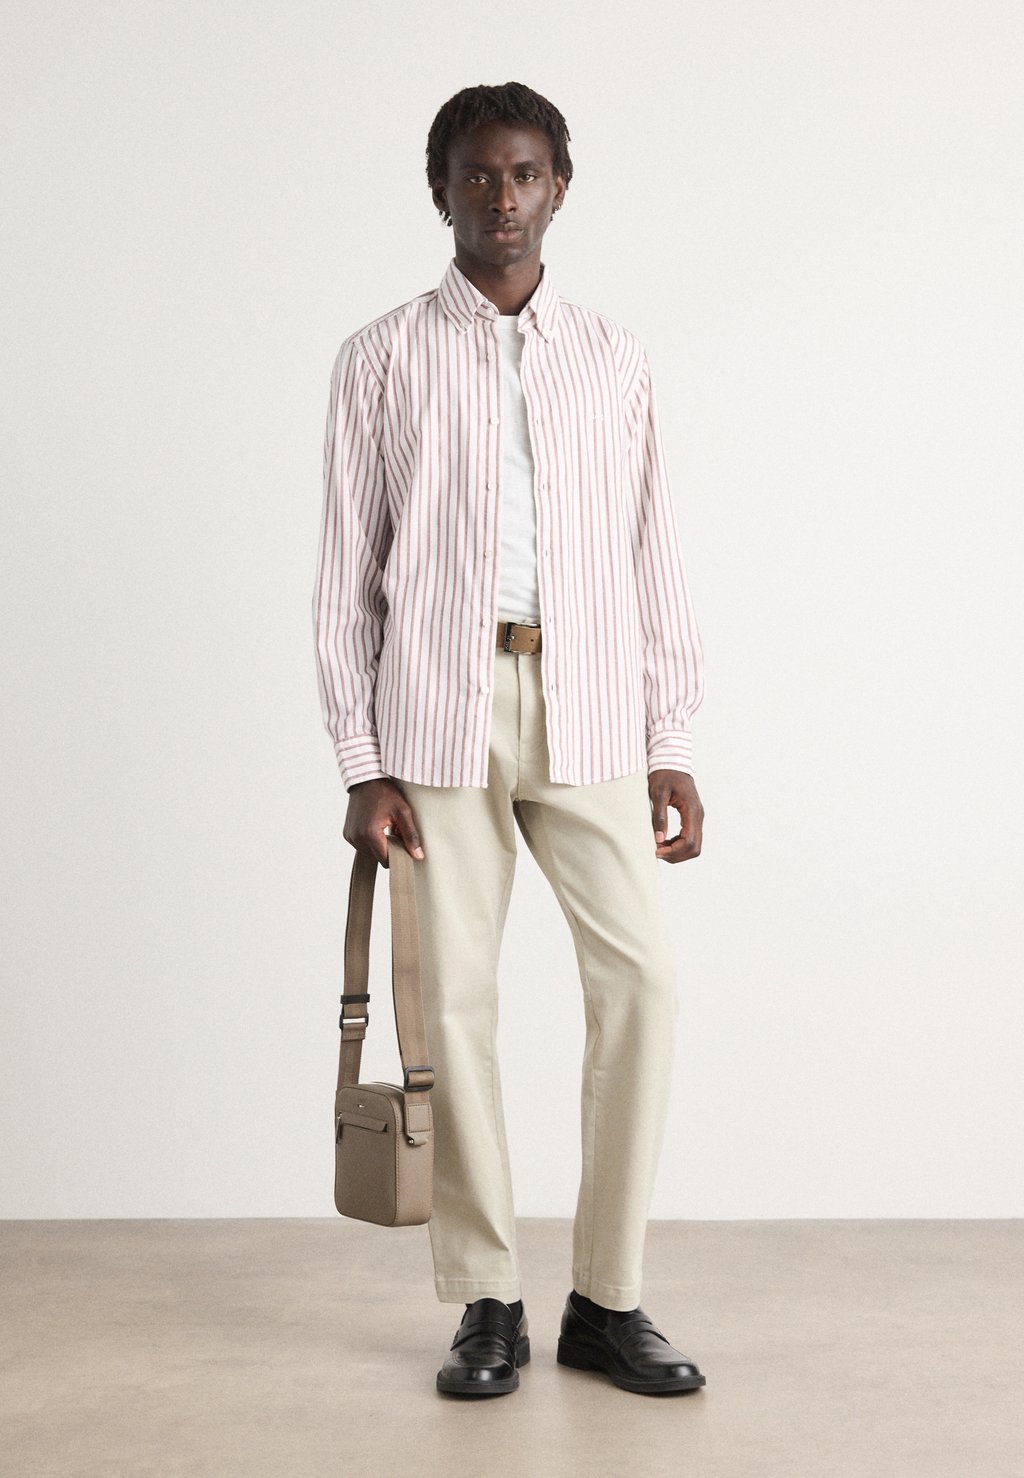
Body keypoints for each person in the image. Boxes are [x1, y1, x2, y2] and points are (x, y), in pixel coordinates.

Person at [313, 81, 707, 1398]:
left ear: (559, 189)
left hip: (591, 704)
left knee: (643, 981)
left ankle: (609, 1297)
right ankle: (487, 1297)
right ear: (441, 191)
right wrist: (361, 759)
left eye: (526, 172)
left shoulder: (614, 355)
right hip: (439, 710)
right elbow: (346, 576)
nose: (503, 196)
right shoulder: (378, 357)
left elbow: (654, 552)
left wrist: (671, 735)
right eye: (478, 174)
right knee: (456, 1006)